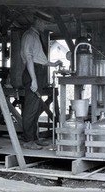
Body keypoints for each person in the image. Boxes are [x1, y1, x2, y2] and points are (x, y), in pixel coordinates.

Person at [20, 18, 63, 150]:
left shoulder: (35, 36)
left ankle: (34, 138)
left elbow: (39, 58)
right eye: (44, 22)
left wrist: (53, 64)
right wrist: (33, 79)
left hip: (38, 72)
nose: (46, 25)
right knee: (31, 109)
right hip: (33, 72)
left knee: (37, 108)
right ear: (36, 22)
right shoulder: (29, 36)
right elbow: (29, 58)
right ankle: (28, 140)